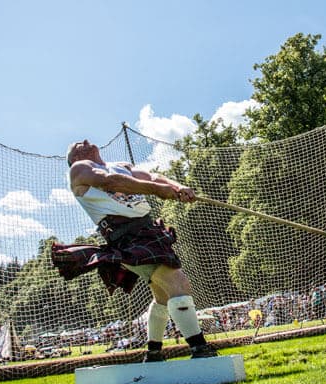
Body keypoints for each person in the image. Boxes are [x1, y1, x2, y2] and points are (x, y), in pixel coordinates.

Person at [53, 139, 217, 362]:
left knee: (162, 296)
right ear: (73, 158)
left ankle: (154, 353)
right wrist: (158, 190)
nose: (84, 141)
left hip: (149, 230)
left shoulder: (121, 164)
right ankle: (200, 350)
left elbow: (152, 177)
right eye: (75, 146)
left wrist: (177, 187)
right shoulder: (79, 169)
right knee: (179, 283)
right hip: (125, 236)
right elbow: (110, 182)